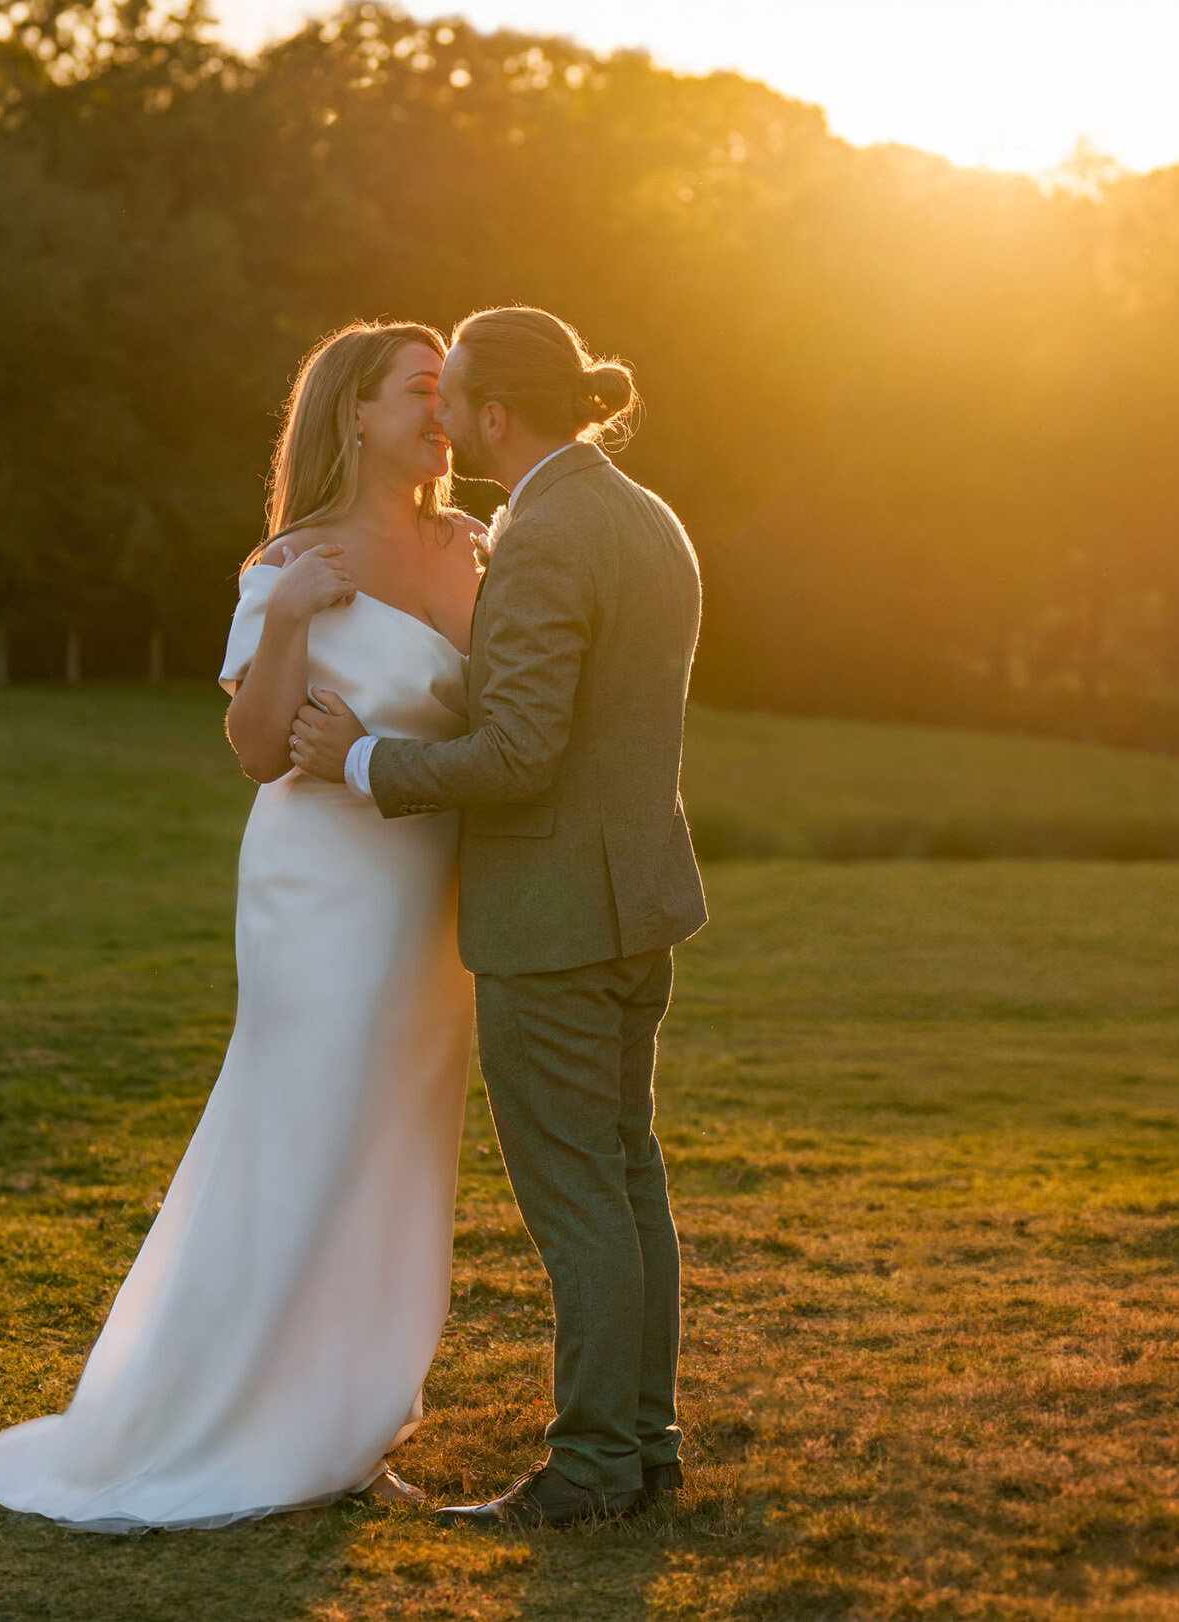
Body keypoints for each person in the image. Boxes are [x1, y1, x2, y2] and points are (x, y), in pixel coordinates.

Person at [0, 321, 486, 1529]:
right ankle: (229, 1416)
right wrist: (290, 612)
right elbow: (254, 751)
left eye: (449, 391)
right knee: (302, 1128)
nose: (442, 409)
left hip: (429, 890)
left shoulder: (475, 549)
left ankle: (348, 1417)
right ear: (353, 410)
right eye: (418, 388)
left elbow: (494, 721)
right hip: (319, 891)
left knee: (396, 1146)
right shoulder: (289, 560)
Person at [288, 305, 706, 1530]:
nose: (440, 414)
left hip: (554, 915)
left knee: (581, 1194)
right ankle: (644, 1447)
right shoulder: (641, 512)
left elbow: (522, 747)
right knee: (626, 1179)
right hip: (637, 903)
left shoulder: (543, 535)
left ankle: (589, 1468)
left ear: (494, 412)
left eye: (452, 393)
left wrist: (366, 760)